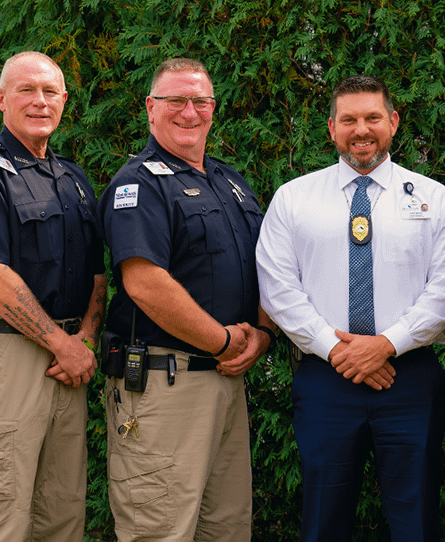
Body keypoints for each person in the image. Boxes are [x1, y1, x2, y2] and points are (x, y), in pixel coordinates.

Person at [256, 74, 445, 541]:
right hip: (325, 381)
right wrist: (340, 351)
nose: (361, 129)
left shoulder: (435, 199)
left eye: (373, 117)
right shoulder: (293, 199)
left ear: (393, 122)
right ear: (331, 128)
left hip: (409, 380)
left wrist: (386, 345)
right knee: (323, 521)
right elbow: (278, 290)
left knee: (417, 522)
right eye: (348, 119)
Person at [97, 58, 274, 542]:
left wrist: (261, 334)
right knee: (160, 531)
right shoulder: (139, 184)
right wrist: (221, 341)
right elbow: (144, 282)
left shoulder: (231, 182)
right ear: (151, 109)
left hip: (225, 383)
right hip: (164, 387)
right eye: (176, 100)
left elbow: (265, 268)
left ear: (214, 109)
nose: (189, 112)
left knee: (228, 529)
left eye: (200, 101)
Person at [0, 51, 106, 541]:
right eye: (26, 90)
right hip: (13, 357)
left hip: (70, 361)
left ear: (64, 100)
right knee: (8, 502)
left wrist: (84, 338)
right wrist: (62, 344)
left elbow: (98, 271)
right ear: (2, 99)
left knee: (62, 508)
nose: (40, 101)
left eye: (50, 92)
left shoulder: (75, 178)